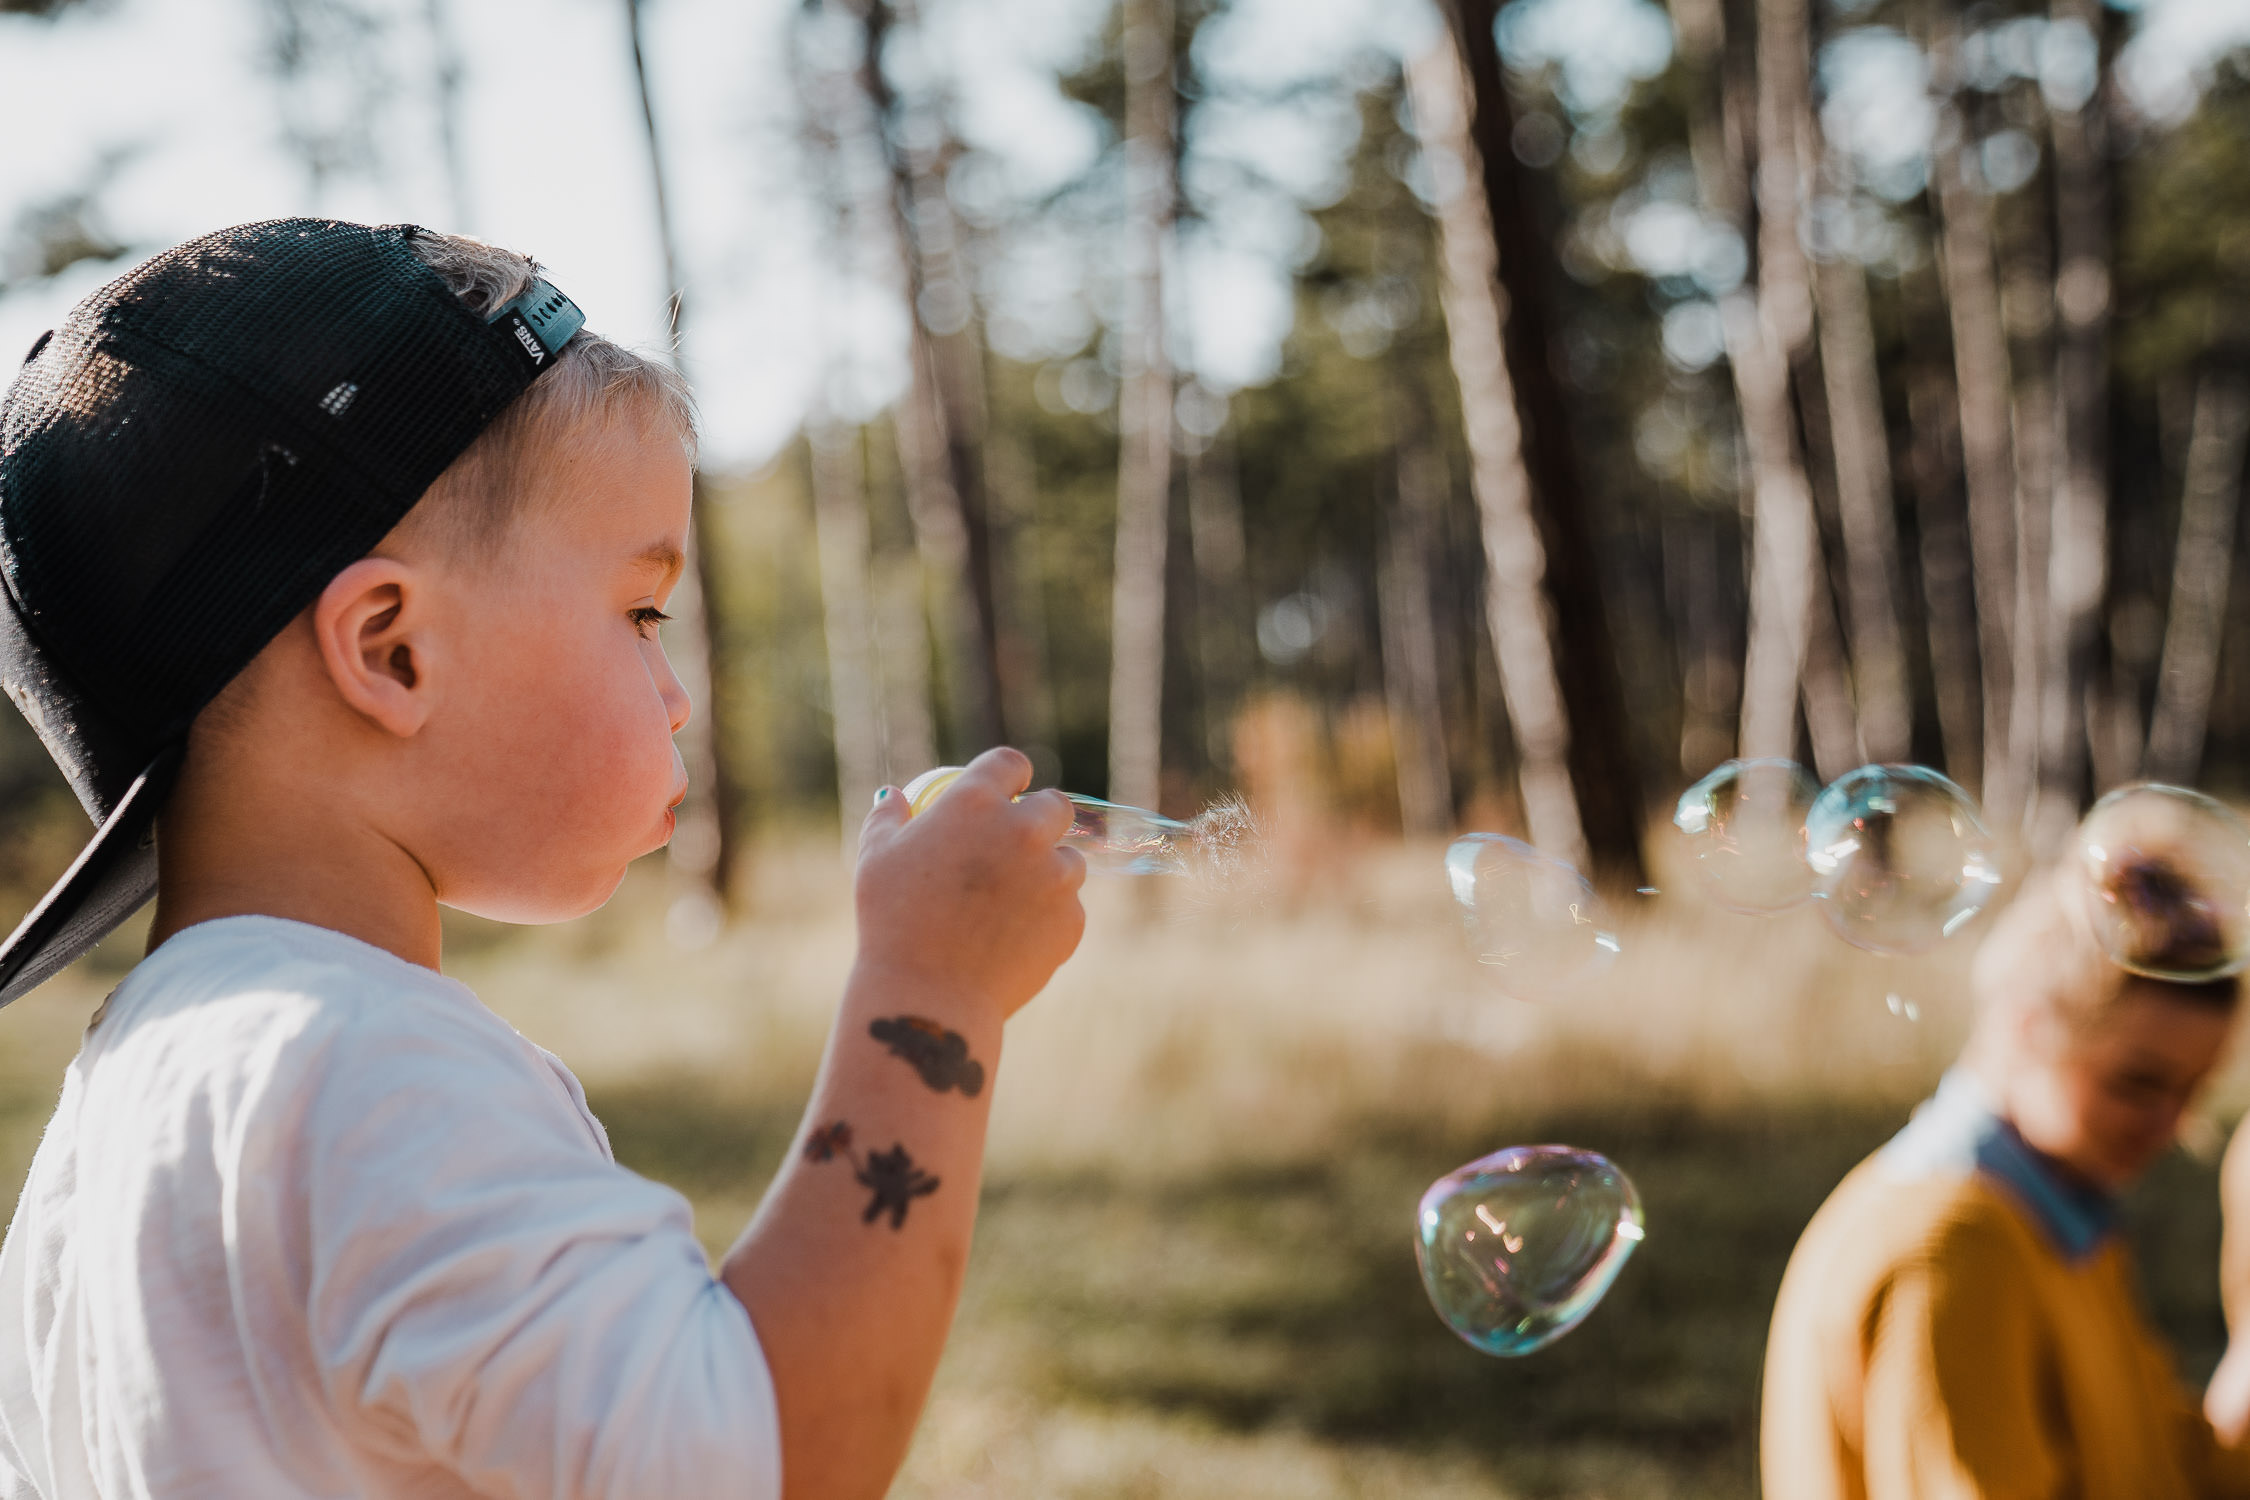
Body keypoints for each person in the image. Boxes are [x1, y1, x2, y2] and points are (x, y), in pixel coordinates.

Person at [0, 220, 1086, 1499]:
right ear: (394, 651)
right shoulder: (359, 1070)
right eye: (639, 612)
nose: (676, 696)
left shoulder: (112, 1118)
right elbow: (768, 1455)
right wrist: (933, 997)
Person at [1761, 860, 2250, 1499]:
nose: (2169, 1125)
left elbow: (2170, 1471)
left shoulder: (2051, 1214)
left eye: (2192, 1092)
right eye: (2139, 1084)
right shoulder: (1948, 1250)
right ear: (2025, 1027)